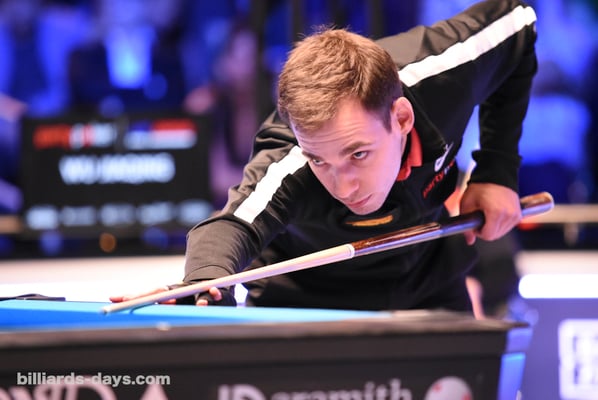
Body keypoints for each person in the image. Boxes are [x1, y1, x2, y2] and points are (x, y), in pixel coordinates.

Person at [112, 0, 538, 313]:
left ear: (401, 118)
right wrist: (204, 285)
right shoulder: (290, 157)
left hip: (428, 286)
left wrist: (497, 171)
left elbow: (519, 23)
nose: (344, 185)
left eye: (359, 153)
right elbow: (234, 224)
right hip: (302, 306)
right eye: (320, 160)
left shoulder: (443, 71)